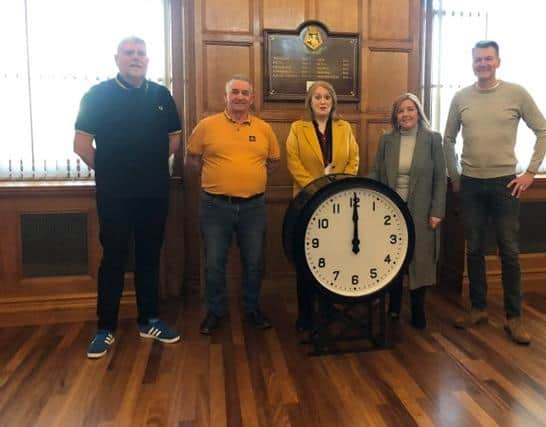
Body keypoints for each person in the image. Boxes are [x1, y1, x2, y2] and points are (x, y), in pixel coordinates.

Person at [74, 36, 182, 359]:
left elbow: (174, 141)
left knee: (150, 257)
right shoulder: (97, 95)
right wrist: (111, 172)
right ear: (117, 58)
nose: (136, 58)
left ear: (148, 60)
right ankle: (105, 328)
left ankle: (149, 320)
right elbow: (81, 146)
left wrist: (147, 169)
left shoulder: (162, 95)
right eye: (129, 53)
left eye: (141, 54)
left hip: (154, 193)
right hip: (115, 195)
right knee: (115, 259)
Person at [443, 40, 546, 345]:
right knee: (474, 250)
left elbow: (544, 131)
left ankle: (513, 318)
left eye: (488, 59)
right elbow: (448, 139)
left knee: (509, 252)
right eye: (478, 59)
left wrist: (530, 172)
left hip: (506, 184)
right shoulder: (461, 97)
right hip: (471, 185)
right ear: (472, 63)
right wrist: (455, 176)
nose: (483, 64)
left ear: (498, 62)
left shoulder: (516, 94)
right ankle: (477, 309)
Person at [186, 76, 280, 334]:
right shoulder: (207, 126)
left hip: (254, 207)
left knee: (254, 262)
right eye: (234, 92)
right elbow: (192, 159)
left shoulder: (263, 129)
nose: (240, 97)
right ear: (225, 97)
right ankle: (215, 311)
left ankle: (252, 308)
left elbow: (272, 163)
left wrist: (249, 181)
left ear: (252, 98)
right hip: (215, 207)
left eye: (245, 93)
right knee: (214, 262)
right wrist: (216, 181)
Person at [285, 80, 360, 332]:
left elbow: (353, 159)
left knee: (332, 256)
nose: (322, 101)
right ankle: (305, 314)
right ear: (310, 101)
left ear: (333, 101)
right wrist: (317, 187)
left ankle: (328, 308)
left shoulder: (344, 127)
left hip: (337, 201)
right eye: (317, 97)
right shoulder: (298, 128)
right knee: (307, 257)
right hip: (308, 200)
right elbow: (294, 162)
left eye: (327, 97)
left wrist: (337, 185)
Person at [369, 93, 446, 329]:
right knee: (391, 259)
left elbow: (440, 179)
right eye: (401, 111)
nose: (405, 114)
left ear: (418, 112)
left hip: (422, 210)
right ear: (395, 116)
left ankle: (418, 309)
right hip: (391, 210)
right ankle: (393, 307)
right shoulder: (387, 141)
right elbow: (376, 173)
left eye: (410, 109)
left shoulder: (432, 139)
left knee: (420, 259)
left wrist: (437, 211)